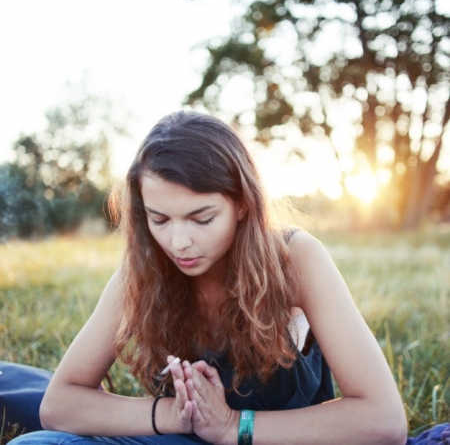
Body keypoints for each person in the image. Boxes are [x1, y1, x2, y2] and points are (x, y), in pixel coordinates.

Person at [10, 111, 408, 445]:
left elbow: (384, 419)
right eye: (159, 219)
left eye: (202, 218)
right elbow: (59, 404)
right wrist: (172, 416)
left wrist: (233, 427)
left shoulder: (295, 259)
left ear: (241, 203)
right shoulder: (143, 268)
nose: (178, 242)